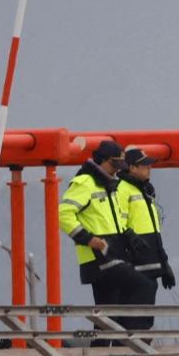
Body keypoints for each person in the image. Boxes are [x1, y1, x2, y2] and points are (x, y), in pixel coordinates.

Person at [58, 140, 129, 328]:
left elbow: (114, 221)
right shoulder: (86, 183)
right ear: (103, 161)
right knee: (109, 312)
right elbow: (63, 214)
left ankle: (108, 351)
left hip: (114, 255)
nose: (117, 170)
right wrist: (87, 239)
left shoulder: (109, 185)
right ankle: (102, 351)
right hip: (97, 258)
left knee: (115, 312)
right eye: (115, 165)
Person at [106, 146, 175, 333]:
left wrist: (164, 264)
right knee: (133, 318)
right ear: (132, 168)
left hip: (150, 264)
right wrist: (130, 240)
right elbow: (117, 222)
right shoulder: (122, 189)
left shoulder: (143, 191)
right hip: (135, 264)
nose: (149, 168)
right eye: (144, 165)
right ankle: (130, 353)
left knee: (145, 317)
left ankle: (139, 350)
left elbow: (153, 231)